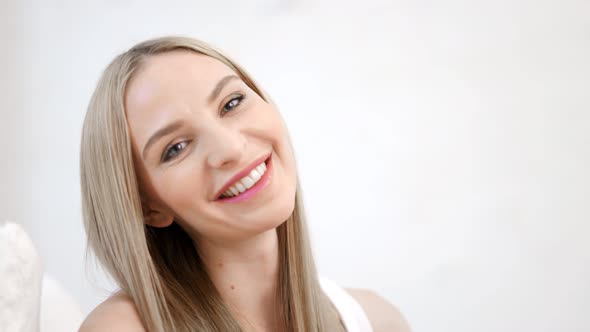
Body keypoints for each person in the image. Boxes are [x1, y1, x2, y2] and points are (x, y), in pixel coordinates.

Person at [78, 36, 410, 332]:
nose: (230, 148)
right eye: (176, 148)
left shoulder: (376, 320)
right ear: (147, 206)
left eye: (232, 103)